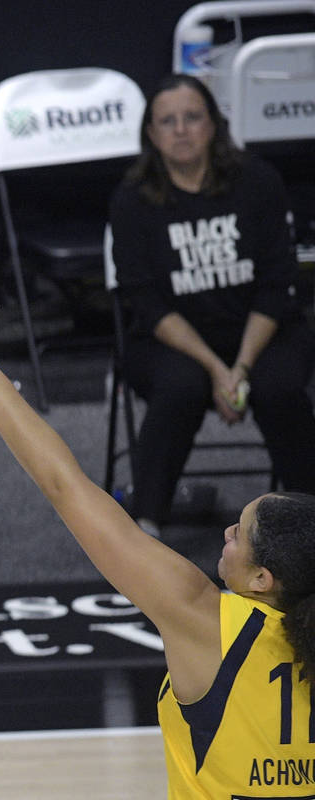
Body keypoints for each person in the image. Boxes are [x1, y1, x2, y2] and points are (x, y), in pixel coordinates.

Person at [0, 257, 315, 798]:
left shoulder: (204, 620)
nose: (224, 534)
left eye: (239, 533)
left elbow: (65, 484)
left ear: (264, 578)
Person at [108, 74, 315, 537]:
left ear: (213, 125)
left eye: (192, 117)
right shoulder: (131, 200)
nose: (181, 130)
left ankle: (308, 522)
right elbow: (143, 300)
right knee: (181, 385)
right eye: (168, 121)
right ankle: (146, 524)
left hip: (262, 328)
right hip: (173, 339)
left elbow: (278, 283)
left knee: (278, 387)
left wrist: (239, 367)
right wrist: (217, 370)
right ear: (151, 133)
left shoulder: (258, 182)